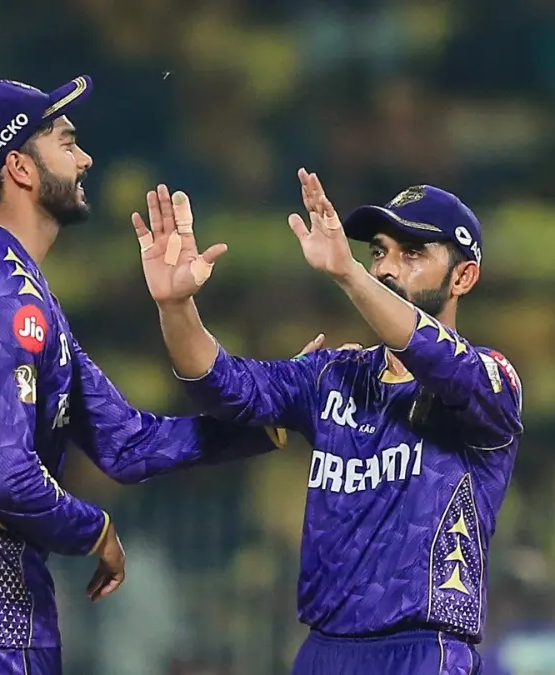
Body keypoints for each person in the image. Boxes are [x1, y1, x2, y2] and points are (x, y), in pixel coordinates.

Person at [0, 76, 281, 674]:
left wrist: (272, 416)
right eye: (66, 142)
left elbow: (128, 443)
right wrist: (94, 529)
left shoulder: (6, 279)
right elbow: (1, 473)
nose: (85, 159)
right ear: (22, 168)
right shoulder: (5, 290)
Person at [140, 172, 524, 674]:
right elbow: (222, 386)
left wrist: (349, 275)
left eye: (412, 254)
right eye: (380, 252)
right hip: (324, 652)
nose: (386, 268)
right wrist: (175, 306)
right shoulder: (332, 376)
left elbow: (438, 358)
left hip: (424, 651)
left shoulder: (492, 381)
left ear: (463, 277)